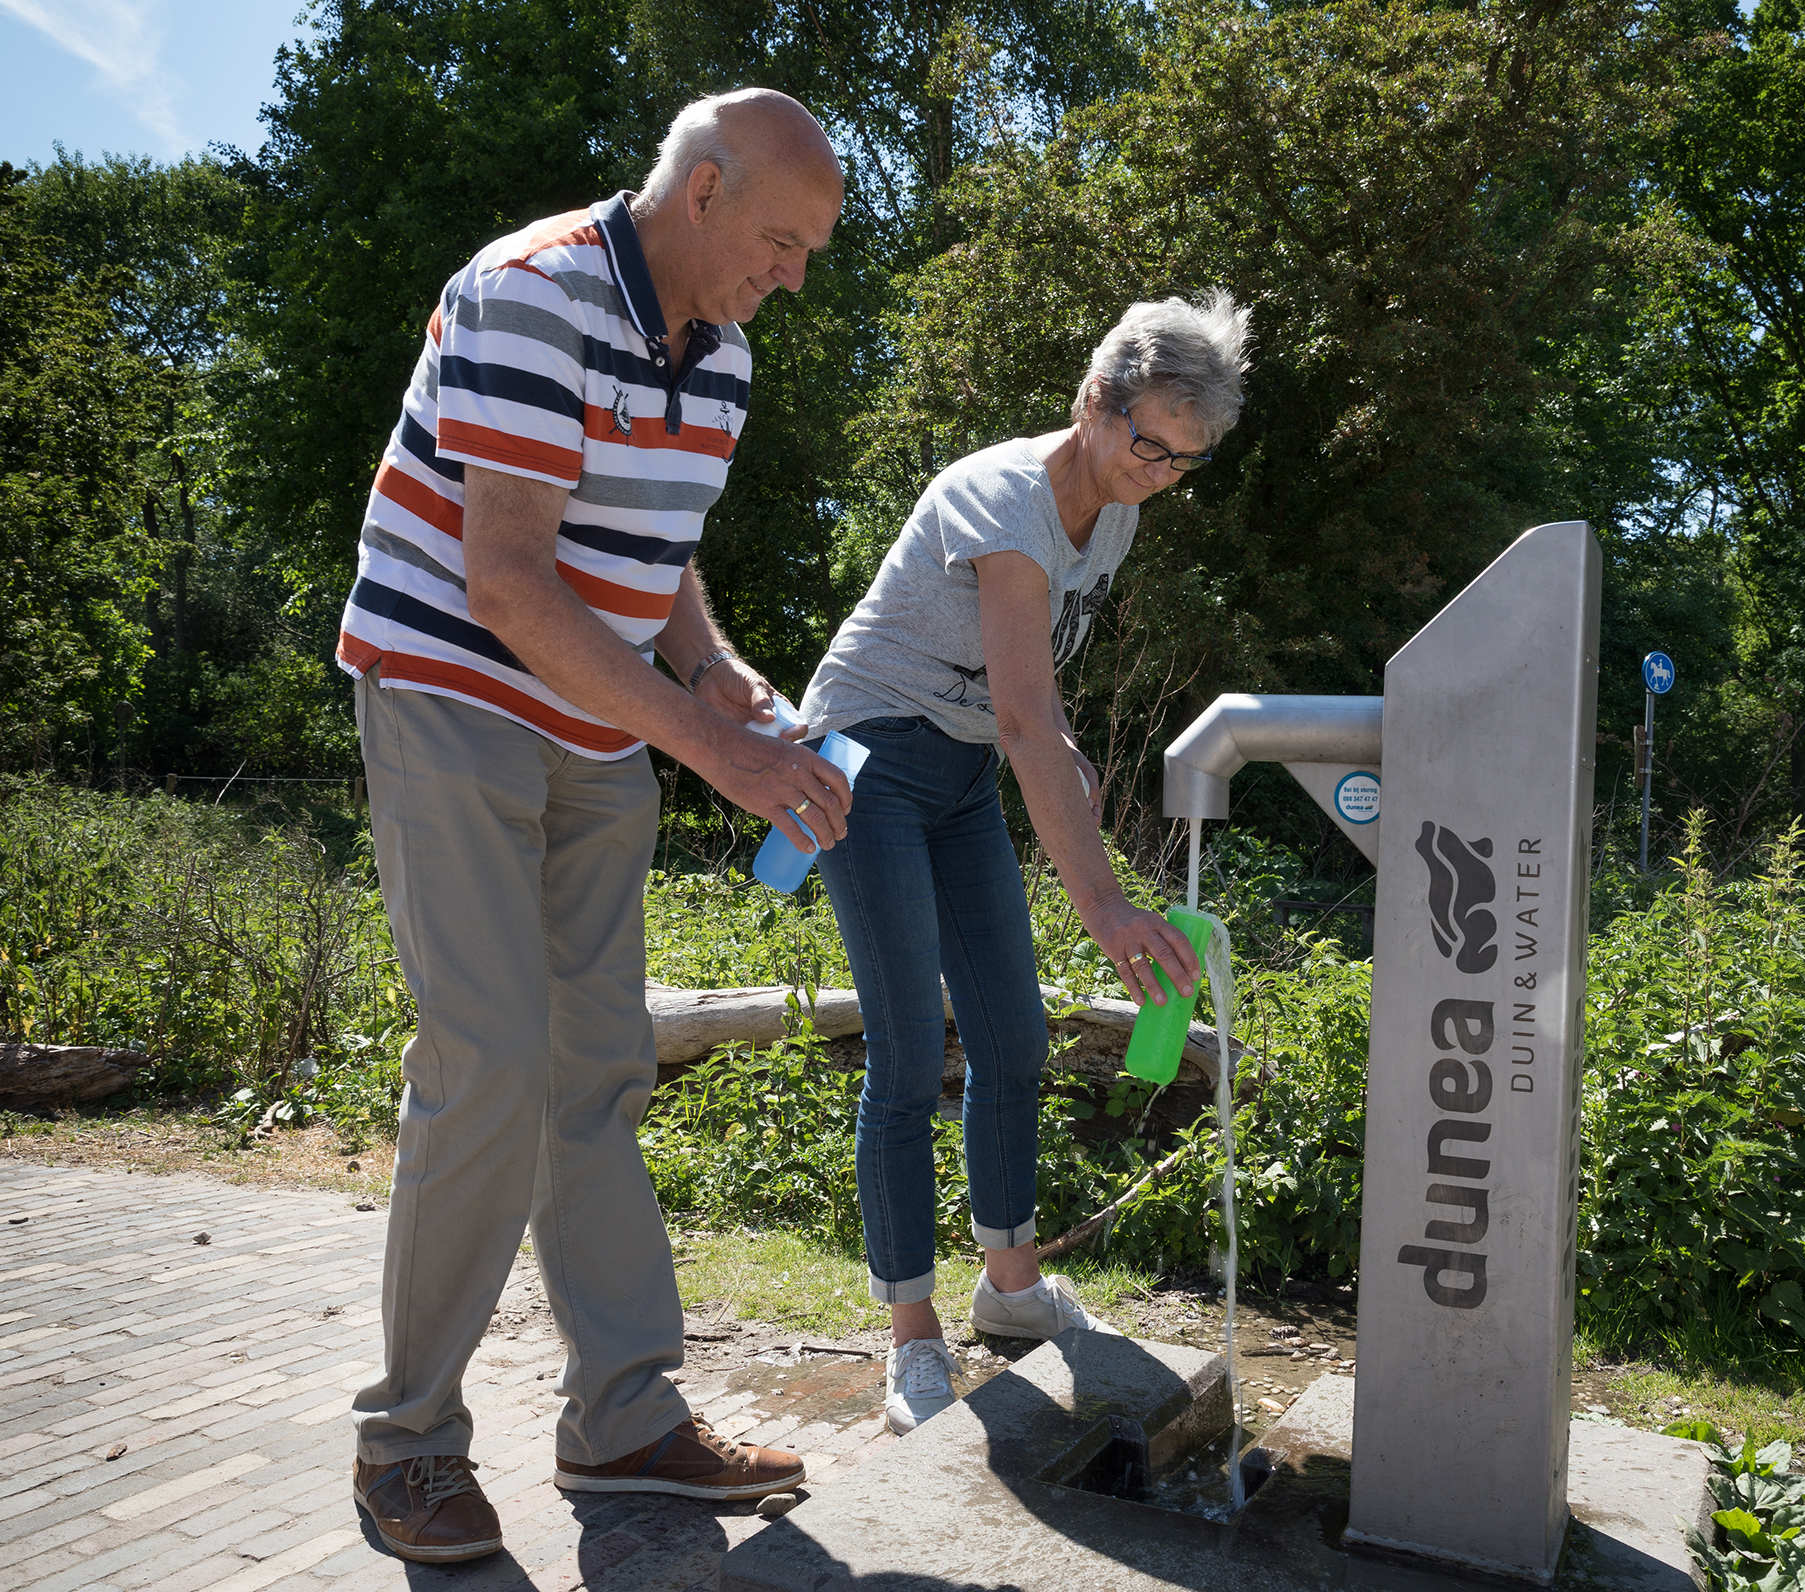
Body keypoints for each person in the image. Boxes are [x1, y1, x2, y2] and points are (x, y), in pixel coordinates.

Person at [335, 89, 856, 1564]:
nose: (793, 275)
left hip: (600, 724)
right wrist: (712, 750)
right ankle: (410, 1448)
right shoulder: (529, 295)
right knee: (490, 1056)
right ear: (700, 192)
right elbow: (506, 579)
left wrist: (708, 665)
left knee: (598, 1069)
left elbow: (655, 548)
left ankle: (623, 1420)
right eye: (779, 239)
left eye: (809, 251)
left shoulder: (726, 356)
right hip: (453, 696)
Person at [797, 291, 1254, 1433]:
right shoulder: (1001, 496)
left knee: (1013, 1033)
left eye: (1184, 460)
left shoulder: (1116, 519)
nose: (1160, 471)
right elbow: (1016, 711)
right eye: (1148, 441)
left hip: (955, 771)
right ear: (1091, 402)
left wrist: (1067, 754)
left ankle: (1009, 1288)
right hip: (866, 756)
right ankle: (911, 1338)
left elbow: (1032, 698)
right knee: (906, 1046)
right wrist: (1099, 897)